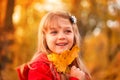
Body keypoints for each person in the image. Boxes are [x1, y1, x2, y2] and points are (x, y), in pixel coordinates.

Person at [17, 10, 91, 80]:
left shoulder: (75, 64)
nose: (61, 37)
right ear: (45, 38)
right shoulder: (39, 67)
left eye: (67, 31)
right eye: (54, 32)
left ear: (74, 35)